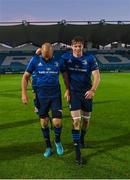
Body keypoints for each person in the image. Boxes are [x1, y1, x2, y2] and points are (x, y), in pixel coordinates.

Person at [21, 42, 69, 158]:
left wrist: (68, 89)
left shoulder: (58, 61)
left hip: (55, 95)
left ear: (53, 52)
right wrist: (24, 93)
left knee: (57, 122)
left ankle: (57, 142)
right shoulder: (35, 60)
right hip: (41, 96)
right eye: (44, 55)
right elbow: (25, 76)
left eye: (49, 55)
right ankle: (48, 146)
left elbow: (65, 74)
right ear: (40, 52)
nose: (47, 58)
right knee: (44, 122)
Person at [62, 36, 100, 164]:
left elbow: (97, 76)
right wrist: (39, 53)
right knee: (76, 121)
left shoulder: (90, 58)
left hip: (86, 94)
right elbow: (51, 61)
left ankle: (82, 138)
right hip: (74, 94)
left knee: (86, 122)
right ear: (71, 46)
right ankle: (77, 151)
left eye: (80, 46)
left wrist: (92, 90)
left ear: (83, 46)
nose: (78, 48)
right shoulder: (66, 57)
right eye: (75, 46)